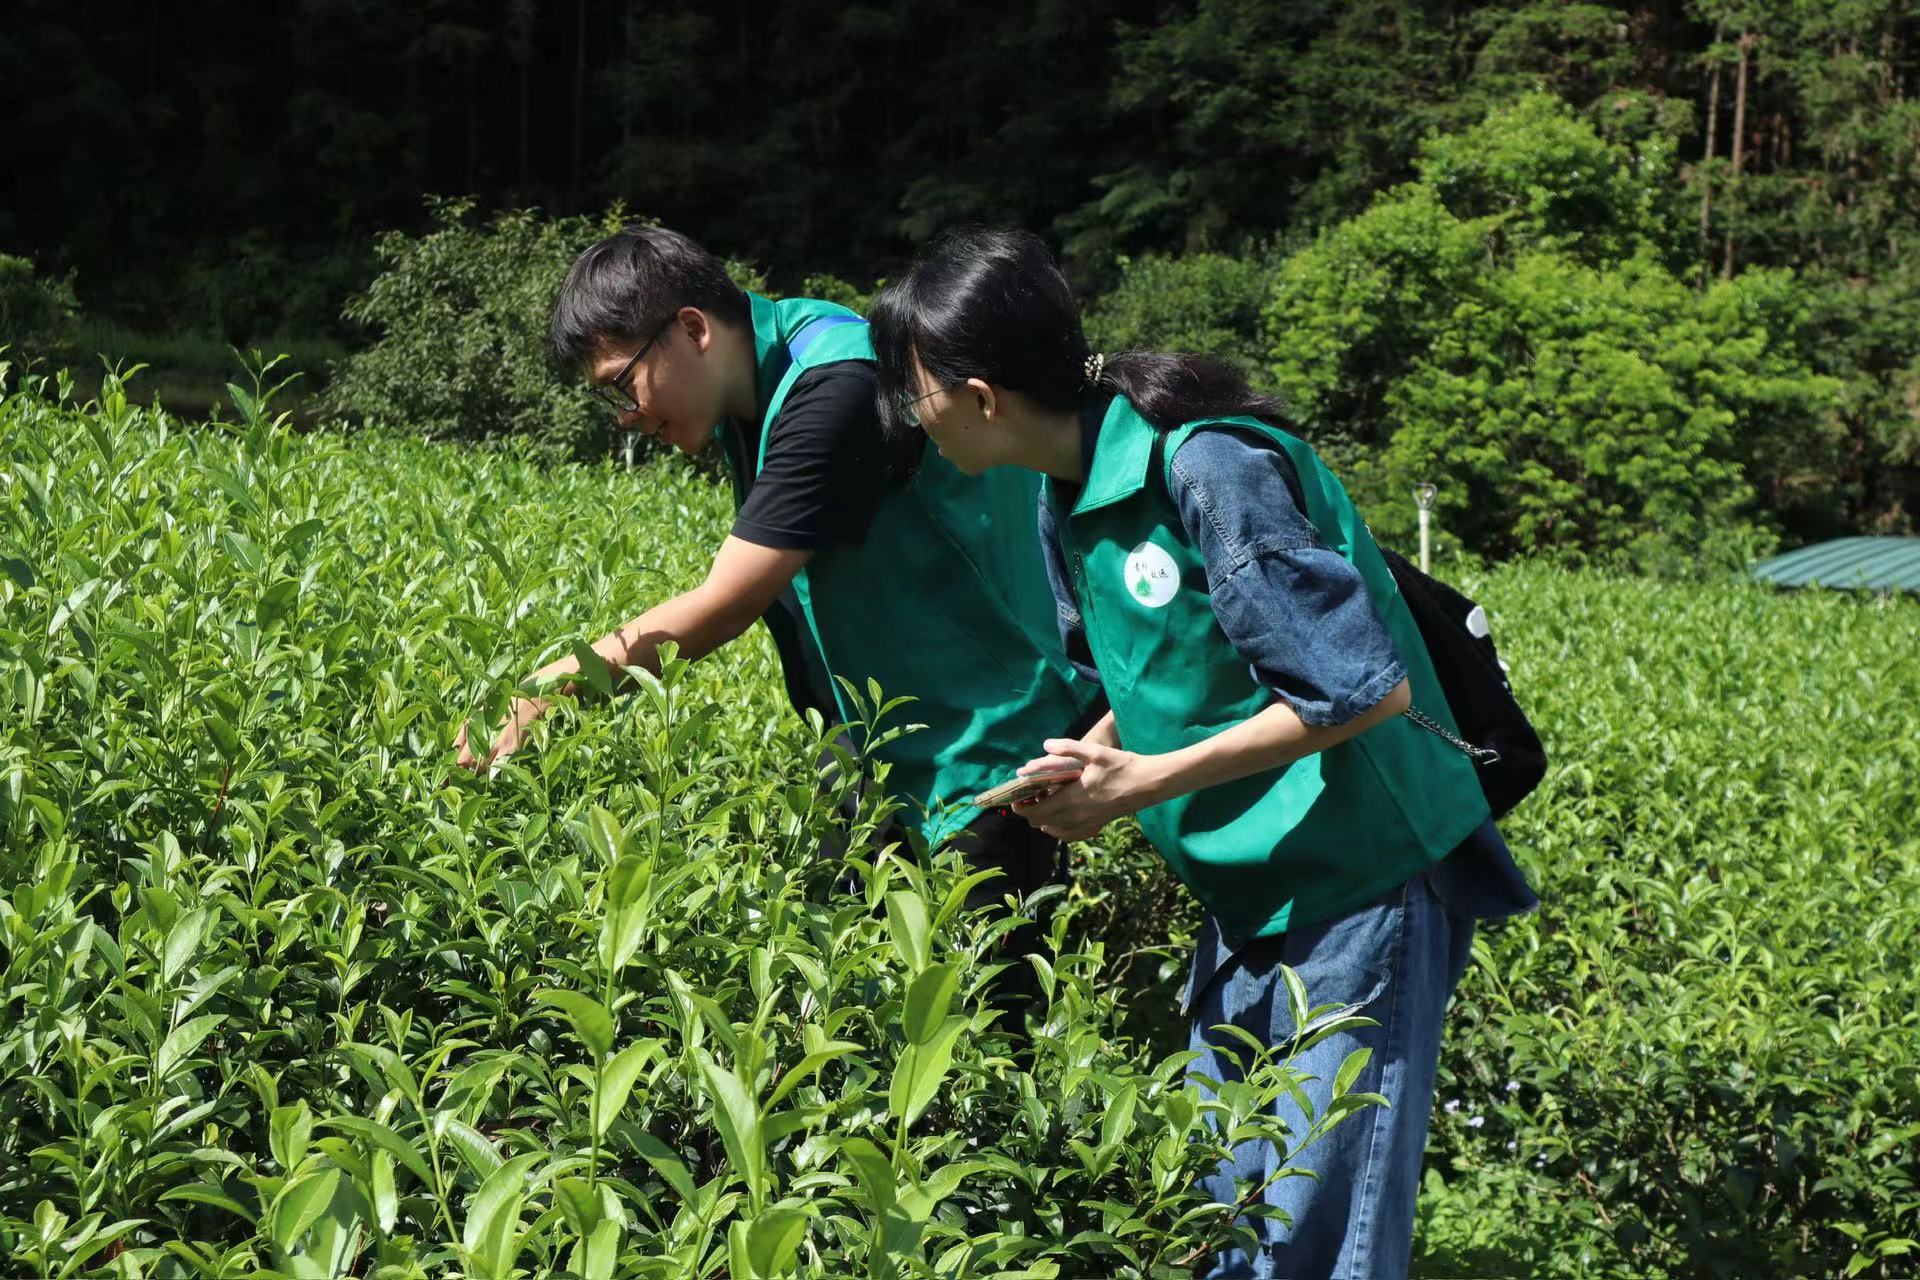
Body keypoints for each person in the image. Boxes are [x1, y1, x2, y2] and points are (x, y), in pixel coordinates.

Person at [866, 228, 1538, 1279]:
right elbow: (1144, 681)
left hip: (1358, 876)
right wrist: (1083, 760)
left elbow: (1361, 688)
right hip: (1251, 892)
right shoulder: (1065, 495)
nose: (914, 416)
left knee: (1322, 1233)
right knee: (1231, 1209)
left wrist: (1141, 786)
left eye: (917, 389)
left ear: (981, 393)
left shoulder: (1206, 465)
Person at [456, 226, 1102, 1010]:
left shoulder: (835, 384)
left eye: (623, 385)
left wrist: (547, 692)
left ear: (692, 329)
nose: (626, 417)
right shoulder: (757, 384)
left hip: (984, 742)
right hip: (879, 744)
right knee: (854, 998)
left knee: (985, 1031)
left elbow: (728, 602)